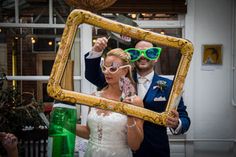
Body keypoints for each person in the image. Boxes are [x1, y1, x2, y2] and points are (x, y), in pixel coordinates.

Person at [84, 37, 191, 157]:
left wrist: (176, 123)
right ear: (132, 57)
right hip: (122, 150)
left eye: (149, 53)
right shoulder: (119, 78)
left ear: (156, 57)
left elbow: (184, 117)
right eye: (137, 53)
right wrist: (96, 51)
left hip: (155, 151)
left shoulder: (169, 86)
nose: (143, 56)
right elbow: (92, 75)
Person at [76, 48, 144, 157]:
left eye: (113, 69)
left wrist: (130, 117)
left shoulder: (135, 101)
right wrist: (66, 123)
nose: (107, 72)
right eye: (104, 68)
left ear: (125, 70)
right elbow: (89, 132)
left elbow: (135, 145)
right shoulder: (94, 97)